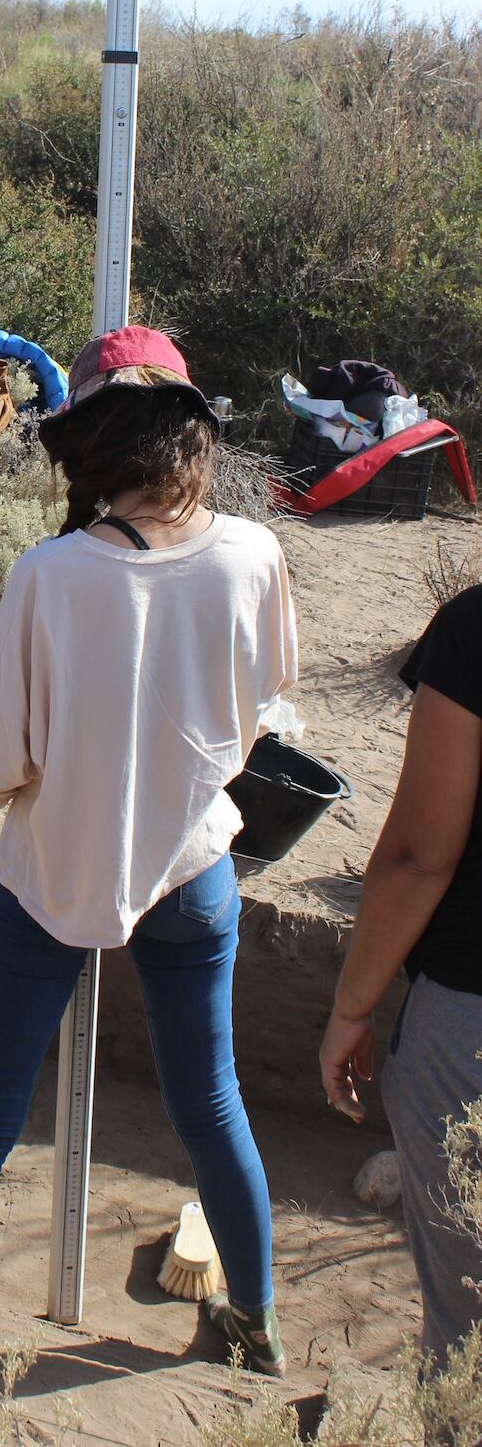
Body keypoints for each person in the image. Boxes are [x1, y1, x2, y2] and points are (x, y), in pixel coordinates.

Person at [0, 325, 299, 1417]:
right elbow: (268, 703)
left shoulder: (50, 576)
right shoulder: (253, 557)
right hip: (192, 877)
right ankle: (254, 1326)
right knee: (213, 1101)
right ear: (191, 435)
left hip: (48, 880)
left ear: (83, 444)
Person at [319, 583, 482, 1368]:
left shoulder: (477, 627)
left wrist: (353, 1005)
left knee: (467, 1344)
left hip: (470, 1029)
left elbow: (423, 854)